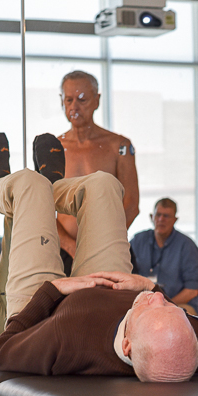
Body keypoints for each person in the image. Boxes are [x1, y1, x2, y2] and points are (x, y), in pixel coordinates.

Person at [0, 132, 198, 382]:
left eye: (152, 307)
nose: (157, 297)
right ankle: (46, 188)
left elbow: (3, 352)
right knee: (103, 186)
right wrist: (147, 285)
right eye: (168, 306)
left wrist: (54, 291)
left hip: (18, 318)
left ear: (130, 346)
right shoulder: (177, 340)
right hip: (84, 291)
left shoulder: (72, 338)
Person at [53, 70, 140, 261]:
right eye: (69, 100)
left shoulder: (119, 146)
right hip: (65, 251)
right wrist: (71, 246)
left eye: (82, 99)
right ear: (62, 101)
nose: (74, 106)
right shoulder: (53, 149)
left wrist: (104, 243)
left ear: (97, 100)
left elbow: (131, 205)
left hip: (108, 248)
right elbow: (43, 208)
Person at [130, 198, 198, 314]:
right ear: (151, 217)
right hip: (142, 304)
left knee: (173, 316)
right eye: (158, 215)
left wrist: (164, 304)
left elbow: (192, 290)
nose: (161, 219)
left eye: (166, 216)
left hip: (178, 304)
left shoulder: (187, 246)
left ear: (175, 220)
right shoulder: (137, 241)